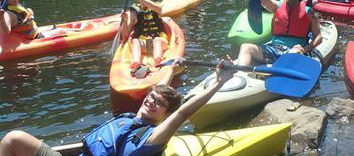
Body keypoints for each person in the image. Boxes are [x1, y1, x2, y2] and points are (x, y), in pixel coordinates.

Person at [0, 58, 235, 156]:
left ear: (166, 115)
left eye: (159, 104)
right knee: (13, 138)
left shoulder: (153, 136)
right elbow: (158, 91)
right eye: (151, 97)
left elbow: (183, 111)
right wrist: (171, 70)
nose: (151, 101)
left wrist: (217, 82)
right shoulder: (136, 116)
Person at [235, 0, 322, 67]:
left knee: (292, 54)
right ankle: (242, 72)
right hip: (274, 49)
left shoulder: (309, 12)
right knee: (246, 47)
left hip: (295, 50)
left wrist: (305, 49)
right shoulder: (276, 6)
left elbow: (318, 37)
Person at [121, 0, 168, 70]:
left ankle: (158, 61)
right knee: (135, 41)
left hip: (159, 42)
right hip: (145, 44)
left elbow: (159, 8)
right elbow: (125, 36)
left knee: (157, 40)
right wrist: (124, 21)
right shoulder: (134, 12)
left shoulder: (157, 7)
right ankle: (136, 63)